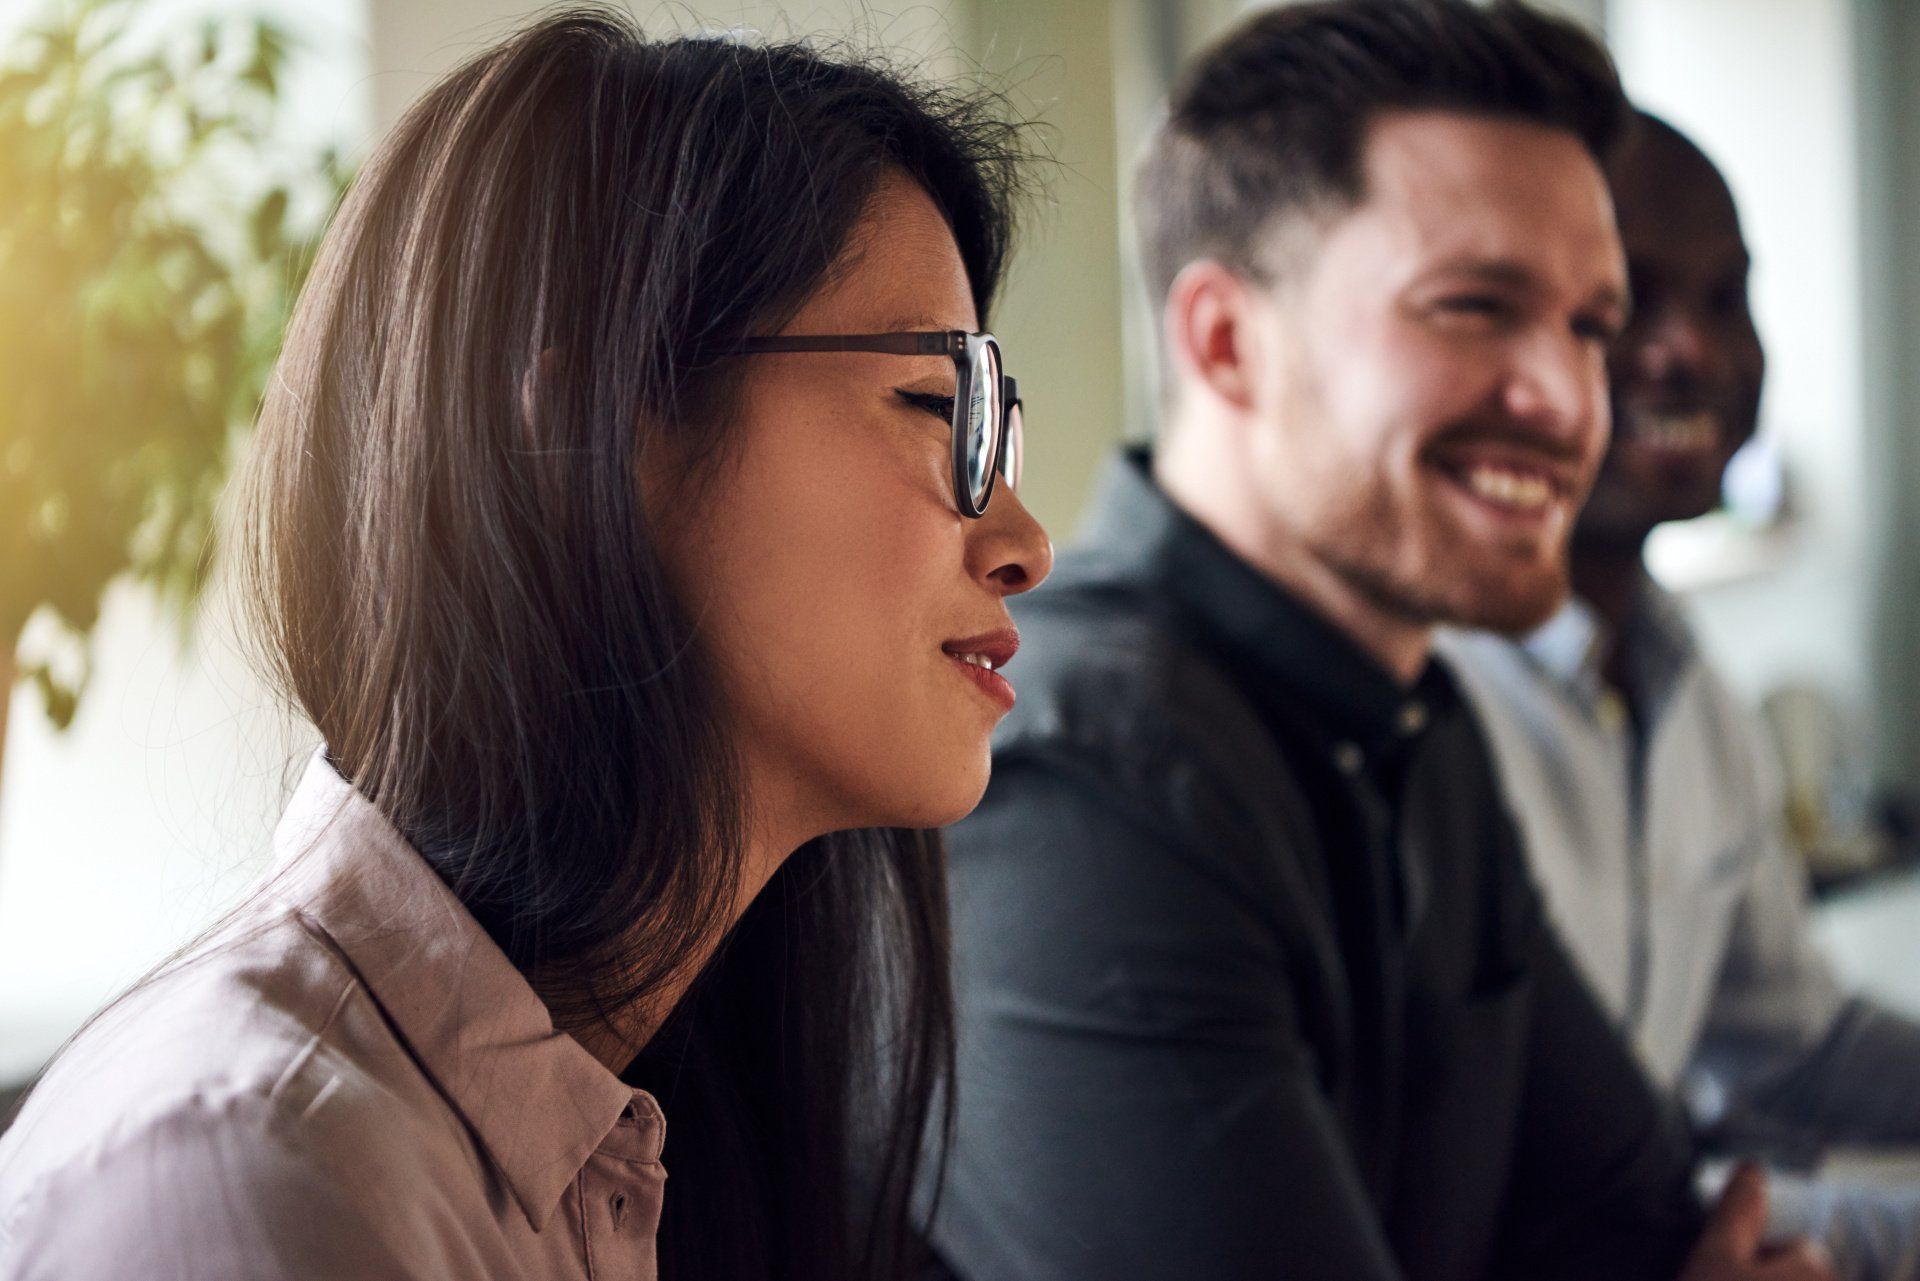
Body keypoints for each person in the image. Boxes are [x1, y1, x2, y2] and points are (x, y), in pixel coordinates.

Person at [0, 12, 1052, 1281]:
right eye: (939, 408)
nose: (1024, 539)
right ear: (586, 438)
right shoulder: (250, 1182)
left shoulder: (671, 1141)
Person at [929, 3, 1831, 1279]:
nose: (1573, 401)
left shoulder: (1412, 716)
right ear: (1226, 342)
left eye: (1587, 325)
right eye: (1475, 307)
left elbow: (1648, 1230)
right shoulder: (1072, 779)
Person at [1439, 112, 1920, 1280]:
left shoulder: (1684, 680)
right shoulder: (1431, 707)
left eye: (1726, 298)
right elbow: (1527, 1204)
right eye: (1623, 307)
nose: (1690, 352)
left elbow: (1789, 1047)